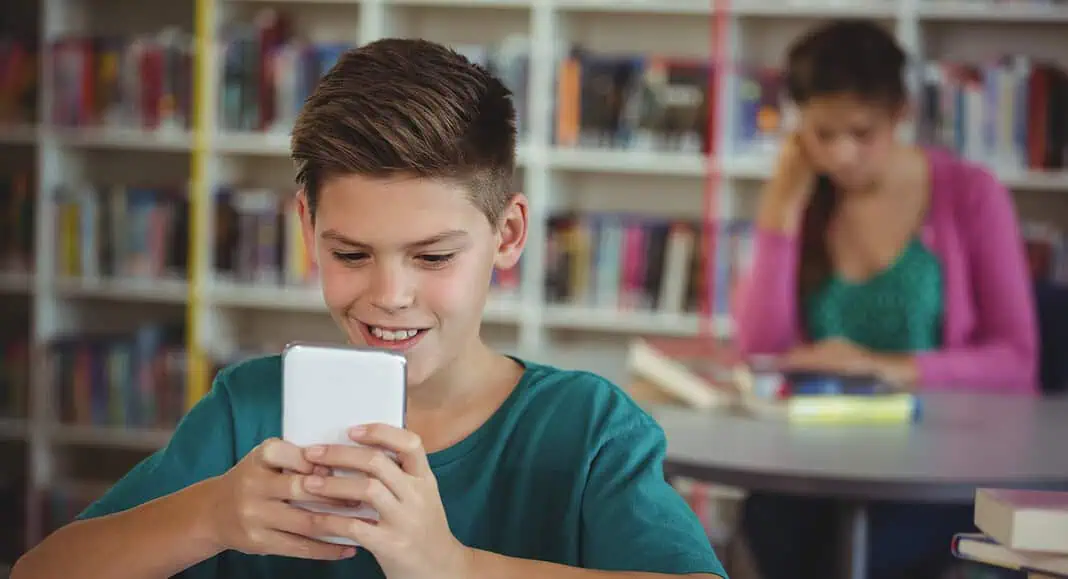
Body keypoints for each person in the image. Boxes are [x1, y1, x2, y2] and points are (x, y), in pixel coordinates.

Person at [12, 39, 726, 579]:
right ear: (306, 228)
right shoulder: (249, 409)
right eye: (351, 254)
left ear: (506, 234)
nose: (389, 295)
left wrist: (453, 564)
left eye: (434, 256)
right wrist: (211, 513)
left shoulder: (588, 430)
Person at [731, 20, 1038, 579]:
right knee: (766, 526)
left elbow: (1017, 360)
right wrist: (779, 210)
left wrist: (883, 368)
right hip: (818, 458)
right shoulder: (809, 198)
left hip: (940, 465)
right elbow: (760, 348)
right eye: (822, 134)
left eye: (861, 132)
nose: (841, 154)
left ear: (900, 114)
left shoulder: (970, 194)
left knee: (866, 552)